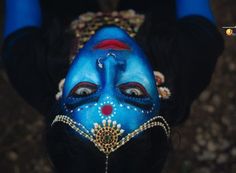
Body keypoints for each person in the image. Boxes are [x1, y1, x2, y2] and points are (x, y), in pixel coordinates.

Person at [2, 0, 224, 173]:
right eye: (133, 91)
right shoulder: (194, 55)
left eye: (84, 92)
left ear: (60, 93)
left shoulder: (26, 63)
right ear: (159, 90)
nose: (109, 62)